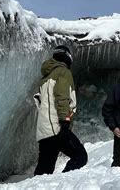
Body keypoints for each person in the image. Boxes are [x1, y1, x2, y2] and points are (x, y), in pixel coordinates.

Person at [33, 45, 87, 175]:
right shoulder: (63, 72)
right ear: (67, 57)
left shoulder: (45, 78)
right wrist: (64, 122)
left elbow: (40, 104)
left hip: (44, 131)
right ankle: (62, 184)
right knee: (80, 156)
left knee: (44, 172)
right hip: (57, 128)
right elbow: (62, 97)